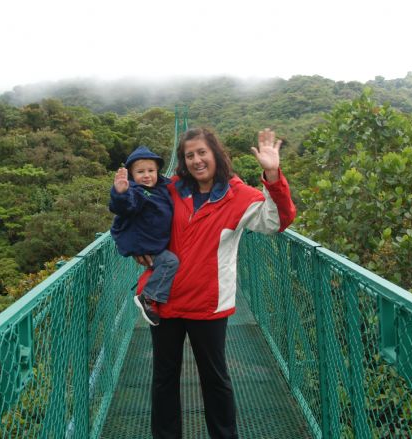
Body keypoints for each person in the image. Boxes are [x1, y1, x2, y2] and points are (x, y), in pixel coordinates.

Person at [134, 127, 296, 439]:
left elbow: (277, 221)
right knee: (164, 379)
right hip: (164, 303)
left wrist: (272, 174)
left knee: (215, 380)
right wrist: (136, 246)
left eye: (201, 153)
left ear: (215, 154)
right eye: (189, 155)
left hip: (208, 305)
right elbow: (139, 215)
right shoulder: (171, 188)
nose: (196, 160)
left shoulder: (239, 196)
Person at [109, 146, 179, 326]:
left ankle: (151, 296)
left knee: (167, 262)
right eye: (140, 172)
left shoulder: (162, 187)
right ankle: (148, 297)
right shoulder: (137, 191)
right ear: (132, 175)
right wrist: (121, 193)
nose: (146, 175)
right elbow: (124, 207)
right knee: (170, 262)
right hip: (143, 244)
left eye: (151, 171)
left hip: (153, 241)